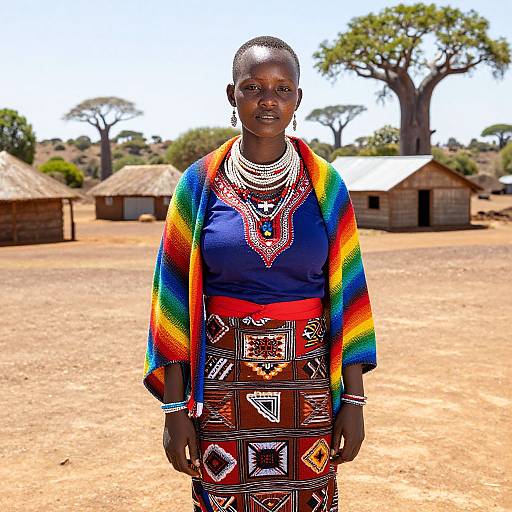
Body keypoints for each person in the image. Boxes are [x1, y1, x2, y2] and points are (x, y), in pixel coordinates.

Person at [143, 35, 377, 512]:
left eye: (282, 88)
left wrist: (353, 401)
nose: (267, 100)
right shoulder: (199, 184)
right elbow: (171, 298)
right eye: (252, 87)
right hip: (222, 387)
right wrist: (174, 409)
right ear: (232, 95)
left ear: (297, 99)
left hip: (308, 386)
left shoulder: (327, 185)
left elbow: (350, 296)